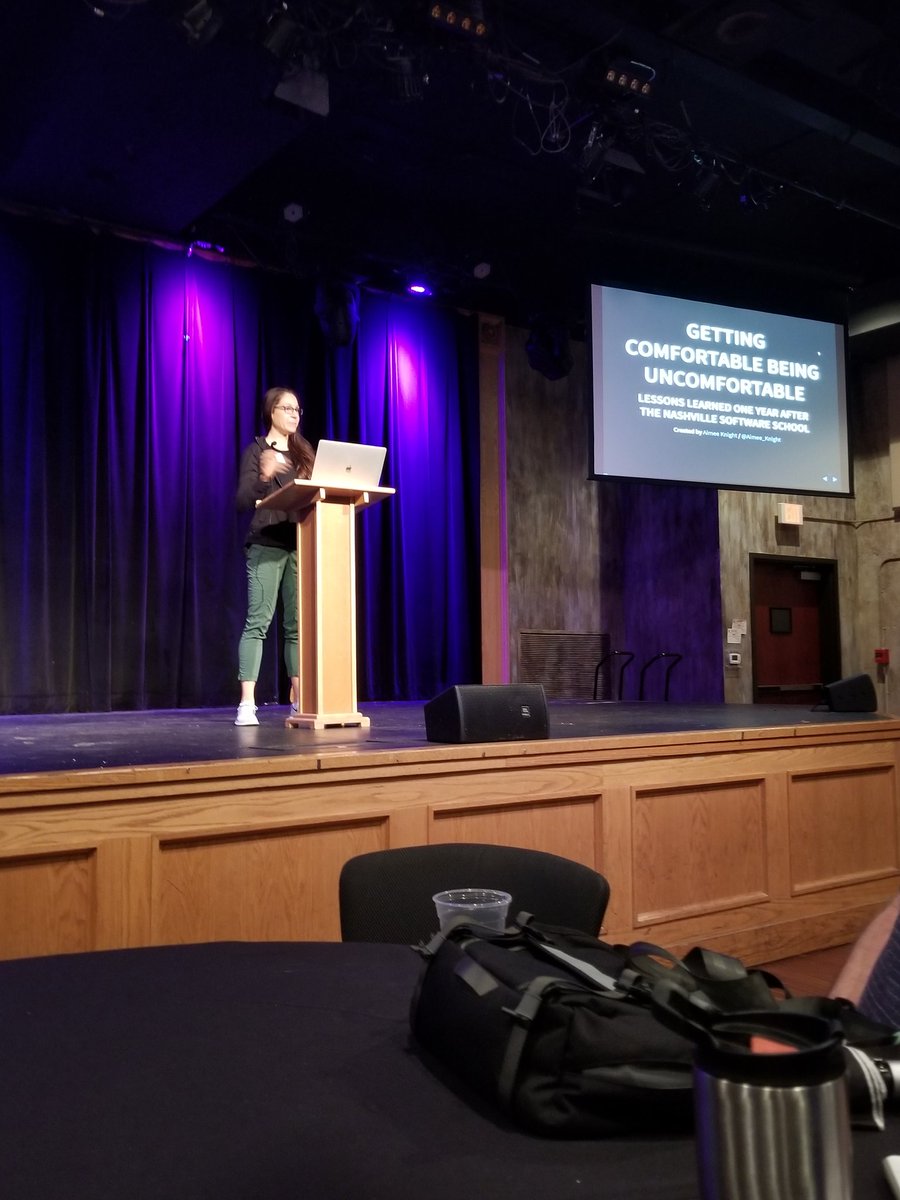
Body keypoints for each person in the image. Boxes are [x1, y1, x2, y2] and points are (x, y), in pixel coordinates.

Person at [234, 387, 315, 726]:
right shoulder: (257, 451)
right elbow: (242, 501)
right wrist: (265, 476)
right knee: (259, 623)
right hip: (267, 542)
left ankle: (299, 701)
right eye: (287, 408)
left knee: (296, 627)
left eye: (298, 409)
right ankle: (247, 704)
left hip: (301, 544)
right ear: (272, 412)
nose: (295, 414)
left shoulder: (304, 451)